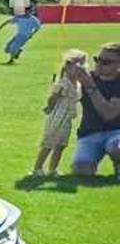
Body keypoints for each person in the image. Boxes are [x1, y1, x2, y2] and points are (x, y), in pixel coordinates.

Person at [66, 42, 120, 178]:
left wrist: (89, 85)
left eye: (106, 62)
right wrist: (67, 77)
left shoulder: (88, 81)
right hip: (90, 134)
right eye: (97, 59)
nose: (99, 64)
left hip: (117, 132)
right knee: (81, 171)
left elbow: (109, 114)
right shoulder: (86, 78)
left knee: (117, 149)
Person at [31, 49, 88, 177]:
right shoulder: (63, 83)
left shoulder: (77, 84)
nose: (82, 68)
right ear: (68, 67)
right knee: (49, 143)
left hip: (67, 118)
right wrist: (49, 107)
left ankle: (52, 169)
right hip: (58, 117)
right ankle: (37, 168)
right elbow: (52, 98)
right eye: (79, 65)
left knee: (61, 145)